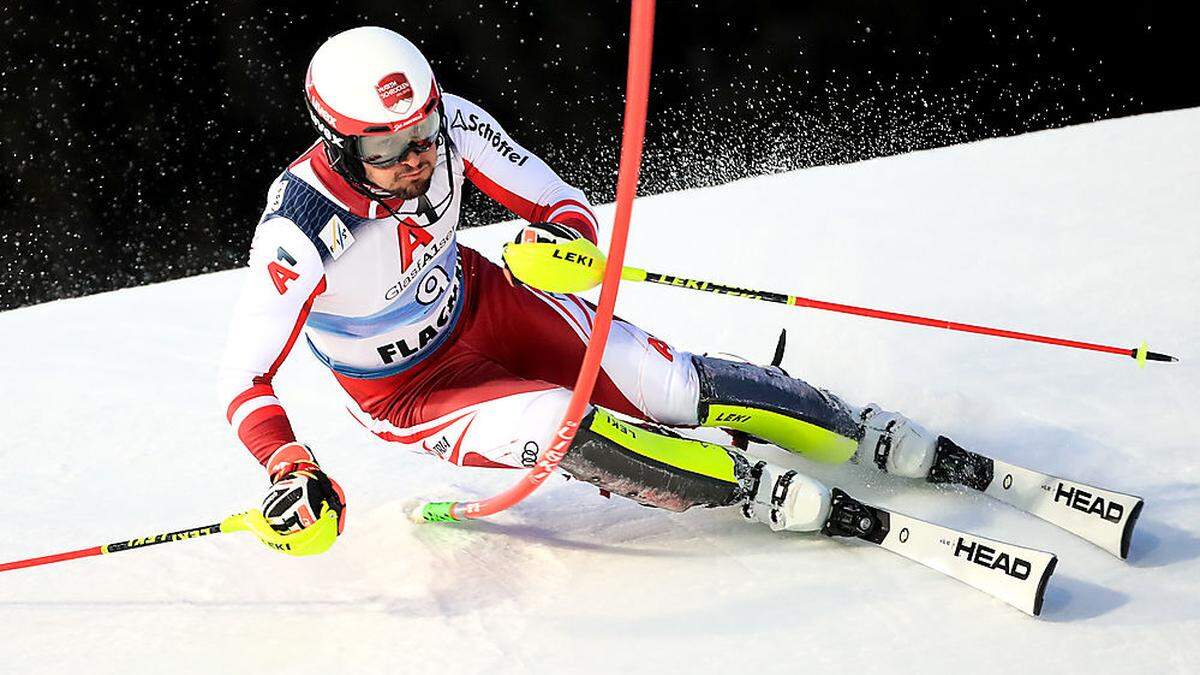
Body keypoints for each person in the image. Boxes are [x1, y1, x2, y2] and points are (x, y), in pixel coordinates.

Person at [218, 26, 939, 544]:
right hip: (411, 391)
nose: (417, 157)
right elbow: (244, 377)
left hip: (487, 305)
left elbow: (560, 205)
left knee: (670, 386)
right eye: (387, 148)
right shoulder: (298, 229)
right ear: (340, 144)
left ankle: (855, 428)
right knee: (563, 424)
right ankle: (745, 488)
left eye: (423, 132)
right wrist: (289, 462)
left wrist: (562, 246)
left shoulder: (454, 127)